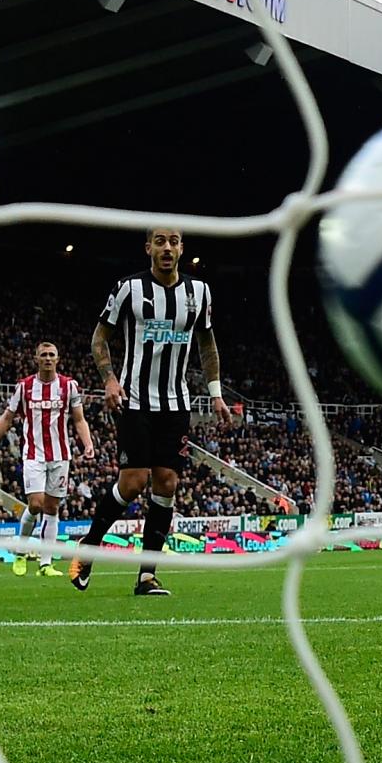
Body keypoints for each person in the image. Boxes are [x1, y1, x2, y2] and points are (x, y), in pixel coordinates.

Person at [71, 226, 230, 597]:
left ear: (181, 249)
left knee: (168, 483)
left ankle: (147, 575)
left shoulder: (199, 292)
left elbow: (208, 345)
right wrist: (109, 379)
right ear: (148, 248)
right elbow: (99, 338)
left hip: (176, 403)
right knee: (132, 483)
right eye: (160, 241)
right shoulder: (129, 288)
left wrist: (216, 394)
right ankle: (88, 547)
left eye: (174, 242)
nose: (167, 248)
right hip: (135, 400)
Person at [0, 340, 94, 576]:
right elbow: (8, 418)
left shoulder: (69, 386)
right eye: (44, 355)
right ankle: (20, 552)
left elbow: (79, 419)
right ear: (36, 359)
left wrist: (88, 443)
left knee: (52, 507)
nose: (48, 358)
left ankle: (45, 564)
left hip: (60, 456)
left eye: (52, 354)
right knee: (36, 504)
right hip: (33, 455)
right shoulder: (25, 387)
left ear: (57, 359)